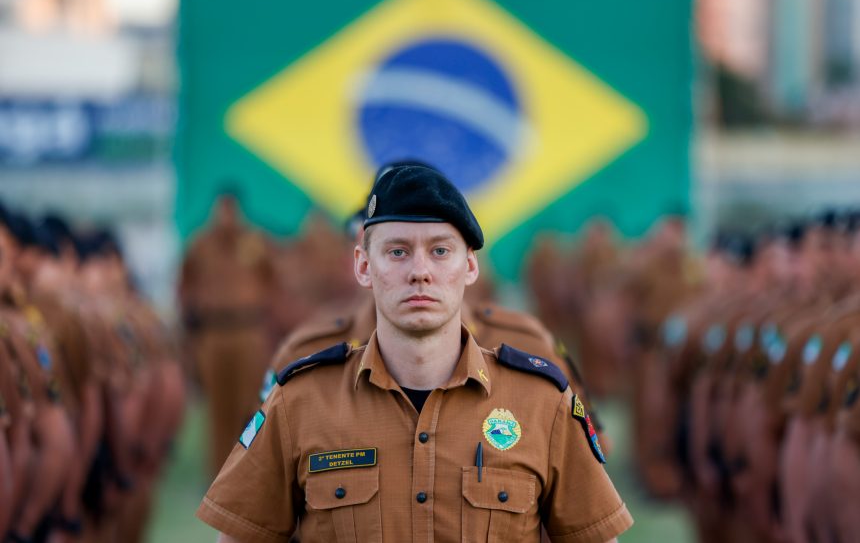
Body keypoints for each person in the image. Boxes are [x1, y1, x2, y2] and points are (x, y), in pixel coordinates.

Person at [197, 164, 632, 542]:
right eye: (397, 251)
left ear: (470, 267)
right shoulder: (300, 403)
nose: (420, 272)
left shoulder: (542, 404)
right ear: (364, 266)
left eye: (440, 251)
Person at [179, 189, 277, 477]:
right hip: (214, 333)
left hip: (249, 332)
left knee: (251, 403)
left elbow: (273, 283)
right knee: (218, 407)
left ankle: (248, 472)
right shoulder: (200, 245)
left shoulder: (256, 243)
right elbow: (184, 285)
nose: (226, 218)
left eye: (231, 211)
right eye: (221, 211)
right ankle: (219, 476)